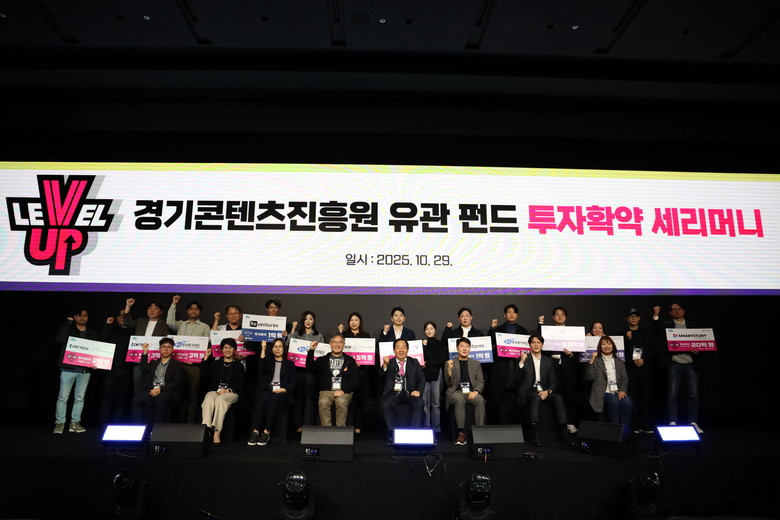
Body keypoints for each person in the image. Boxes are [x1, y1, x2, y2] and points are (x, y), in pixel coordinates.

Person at [652, 302, 703, 432]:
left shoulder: (693, 325)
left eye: (679, 309)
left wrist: (698, 348)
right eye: (674, 310)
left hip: (690, 363)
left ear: (683, 311)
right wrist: (656, 315)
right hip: (674, 363)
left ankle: (693, 422)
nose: (677, 311)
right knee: (672, 394)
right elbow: (657, 330)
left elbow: (702, 340)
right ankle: (673, 421)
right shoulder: (666, 325)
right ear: (670, 313)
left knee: (693, 394)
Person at [53, 306, 101, 434]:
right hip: (68, 368)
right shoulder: (68, 329)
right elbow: (59, 339)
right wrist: (67, 323)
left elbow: (96, 350)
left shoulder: (92, 333)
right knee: (63, 397)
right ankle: (60, 423)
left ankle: (75, 423)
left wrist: (95, 362)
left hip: (84, 370)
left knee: (79, 398)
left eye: (84, 315)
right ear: (74, 317)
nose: (82, 318)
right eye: (79, 315)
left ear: (88, 317)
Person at [515, 334, 569, 446]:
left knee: (558, 398)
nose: (536, 345)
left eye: (538, 342)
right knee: (536, 397)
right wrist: (522, 362)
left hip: (543, 390)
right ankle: (536, 434)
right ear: (529, 345)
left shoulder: (548, 361)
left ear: (542, 345)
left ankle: (564, 432)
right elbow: (517, 379)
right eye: (533, 342)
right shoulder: (524, 359)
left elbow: (553, 380)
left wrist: (548, 391)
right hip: (528, 391)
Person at [166, 295, 211, 423]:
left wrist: (195, 359)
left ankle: (190, 423)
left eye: (196, 309)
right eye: (191, 309)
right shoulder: (180, 324)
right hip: (178, 365)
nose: (193, 311)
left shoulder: (205, 327)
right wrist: (174, 304)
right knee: (177, 394)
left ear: (200, 312)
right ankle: (177, 421)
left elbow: (206, 345)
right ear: (187, 311)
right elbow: (169, 322)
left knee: (193, 396)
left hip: (194, 366)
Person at [537, 307, 581, 434]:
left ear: (565, 317)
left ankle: (570, 423)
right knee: (556, 397)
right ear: (553, 317)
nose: (560, 316)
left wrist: (571, 354)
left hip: (569, 369)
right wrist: (540, 324)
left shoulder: (573, 333)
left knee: (570, 397)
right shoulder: (548, 332)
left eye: (562, 315)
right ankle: (557, 425)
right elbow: (539, 343)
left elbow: (579, 355)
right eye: (557, 314)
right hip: (553, 369)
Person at [248, 338, 297, 446]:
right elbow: (261, 367)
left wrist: (284, 389)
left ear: (284, 349)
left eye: (280, 346)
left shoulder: (289, 364)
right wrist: (263, 349)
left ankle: (266, 432)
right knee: (263, 397)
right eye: (275, 347)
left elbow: (294, 382)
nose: (277, 349)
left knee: (273, 399)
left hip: (283, 392)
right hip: (269, 389)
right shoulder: (269, 362)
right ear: (272, 349)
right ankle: (255, 431)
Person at [487, 304, 530, 424]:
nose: (511, 314)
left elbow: (528, 349)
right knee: (500, 397)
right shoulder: (498, 330)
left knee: (515, 396)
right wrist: (492, 329)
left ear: (517, 315)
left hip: (517, 366)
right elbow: (490, 346)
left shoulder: (523, 331)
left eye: (514, 312)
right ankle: (501, 422)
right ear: (504, 315)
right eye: (509, 312)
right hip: (501, 367)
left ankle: (515, 423)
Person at [305, 333, 358, 427]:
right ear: (330, 344)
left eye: (340, 342)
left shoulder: (350, 360)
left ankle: (341, 430)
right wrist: (311, 351)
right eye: (334, 342)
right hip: (326, 391)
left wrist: (343, 391)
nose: (337, 344)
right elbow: (310, 367)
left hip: (344, 391)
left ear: (344, 344)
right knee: (323, 402)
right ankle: (327, 430)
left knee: (341, 401)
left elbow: (355, 380)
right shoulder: (323, 360)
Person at [200, 338, 246, 445]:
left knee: (220, 400)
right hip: (215, 391)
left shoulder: (239, 366)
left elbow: (241, 383)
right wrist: (206, 358)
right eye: (225, 347)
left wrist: (228, 390)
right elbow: (203, 374)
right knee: (208, 398)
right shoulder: (216, 364)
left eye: (230, 347)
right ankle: (207, 429)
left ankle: (217, 432)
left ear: (234, 349)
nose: (228, 350)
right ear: (221, 349)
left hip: (231, 393)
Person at [584, 336, 633, 429]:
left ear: (613, 346)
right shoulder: (596, 360)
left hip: (617, 390)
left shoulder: (619, 361)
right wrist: (592, 360)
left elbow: (624, 378)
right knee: (614, 402)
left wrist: (622, 390)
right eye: (603, 344)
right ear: (600, 347)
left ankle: (623, 431)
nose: (606, 346)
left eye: (609, 344)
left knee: (627, 402)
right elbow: (589, 377)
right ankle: (614, 430)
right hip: (603, 391)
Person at [444, 338, 486, 446]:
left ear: (470, 349)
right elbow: (448, 382)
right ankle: (461, 433)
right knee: (459, 399)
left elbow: (480, 381)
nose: (464, 349)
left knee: (480, 400)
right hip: (456, 392)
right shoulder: (450, 363)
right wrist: (449, 370)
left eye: (467, 347)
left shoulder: (476, 363)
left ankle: (480, 432)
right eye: (462, 346)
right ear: (457, 348)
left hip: (471, 391)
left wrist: (476, 391)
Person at [133, 337, 185, 423]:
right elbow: (143, 368)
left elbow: (176, 382)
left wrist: (160, 389)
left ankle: (158, 428)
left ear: (172, 349)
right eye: (163, 347)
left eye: (169, 347)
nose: (166, 349)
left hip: (167, 390)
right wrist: (145, 352)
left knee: (160, 400)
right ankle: (140, 427)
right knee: (137, 400)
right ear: (160, 349)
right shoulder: (154, 362)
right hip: (152, 388)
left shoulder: (178, 365)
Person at [290, 311, 326, 430]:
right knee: (299, 398)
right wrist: (293, 329)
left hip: (312, 373)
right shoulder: (296, 334)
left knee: (310, 398)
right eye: (306, 319)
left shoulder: (319, 336)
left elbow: (322, 354)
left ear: (314, 321)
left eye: (310, 319)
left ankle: (308, 425)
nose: (308, 321)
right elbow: (287, 344)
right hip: (297, 371)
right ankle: (298, 425)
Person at [381, 338, 424, 435]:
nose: (401, 350)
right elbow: (382, 378)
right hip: (394, 393)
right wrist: (385, 366)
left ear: (407, 350)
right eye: (398, 347)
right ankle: (392, 433)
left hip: (410, 393)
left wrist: (418, 391)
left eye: (403, 347)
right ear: (394, 350)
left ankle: (414, 432)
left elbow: (422, 379)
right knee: (385, 405)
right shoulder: (390, 362)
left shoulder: (414, 362)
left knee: (419, 403)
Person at [338, 312, 371, 434]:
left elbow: (370, 356)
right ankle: (348, 424)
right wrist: (340, 333)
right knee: (347, 399)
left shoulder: (366, 336)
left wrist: (362, 363)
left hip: (361, 373)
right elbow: (338, 351)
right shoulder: (344, 335)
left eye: (356, 320)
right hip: (347, 374)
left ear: (360, 322)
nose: (353, 322)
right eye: (351, 320)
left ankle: (358, 425)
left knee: (359, 399)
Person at [623, 308, 655, 433]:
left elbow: (652, 350)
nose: (633, 318)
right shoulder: (623, 334)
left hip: (644, 368)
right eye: (631, 316)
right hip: (630, 369)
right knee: (633, 396)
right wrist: (628, 340)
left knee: (645, 396)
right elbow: (619, 352)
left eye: (635, 316)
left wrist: (644, 360)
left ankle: (645, 424)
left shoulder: (646, 333)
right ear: (627, 319)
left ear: (639, 318)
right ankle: (634, 425)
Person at [421, 321, 447, 433]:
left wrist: (428, 363)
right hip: (424, 375)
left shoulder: (440, 344)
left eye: (431, 328)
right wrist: (424, 346)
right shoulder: (421, 345)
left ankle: (436, 427)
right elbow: (420, 360)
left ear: (435, 330)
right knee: (425, 402)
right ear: (424, 331)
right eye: (427, 329)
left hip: (436, 374)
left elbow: (441, 361)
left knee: (436, 403)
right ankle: (426, 425)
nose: (429, 331)